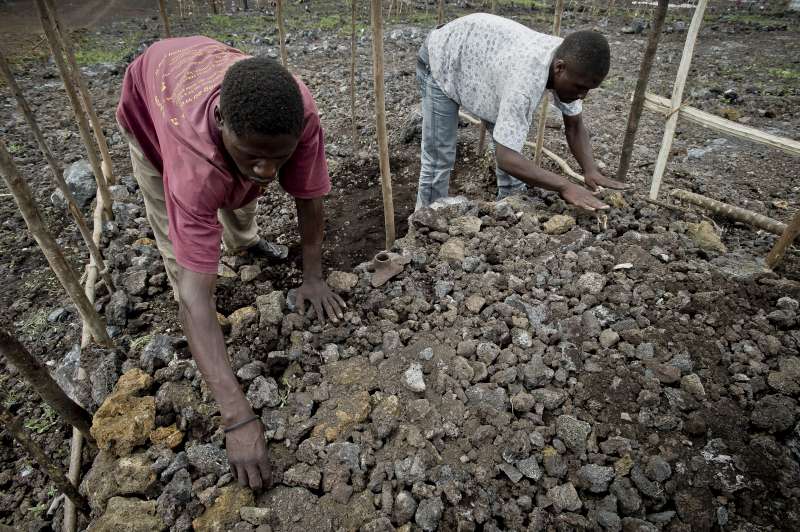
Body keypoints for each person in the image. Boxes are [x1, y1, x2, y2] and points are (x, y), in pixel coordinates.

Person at [116, 36, 345, 490]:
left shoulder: (298, 115)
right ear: (221, 121)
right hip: (152, 104)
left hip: (201, 66)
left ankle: (243, 243)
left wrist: (313, 276)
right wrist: (237, 416)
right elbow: (195, 298)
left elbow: (309, 193)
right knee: (185, 255)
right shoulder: (193, 166)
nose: (267, 171)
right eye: (254, 154)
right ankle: (192, 276)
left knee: (241, 189)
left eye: (277, 157)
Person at [415, 13, 626, 211]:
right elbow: (506, 158)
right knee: (439, 158)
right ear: (559, 68)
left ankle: (510, 208)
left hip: (485, 67)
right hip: (443, 57)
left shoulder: (572, 63)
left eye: (589, 89)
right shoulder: (524, 86)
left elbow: (574, 125)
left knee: (511, 144)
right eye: (580, 87)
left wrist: (590, 169)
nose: (583, 95)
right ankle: (425, 223)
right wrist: (565, 186)